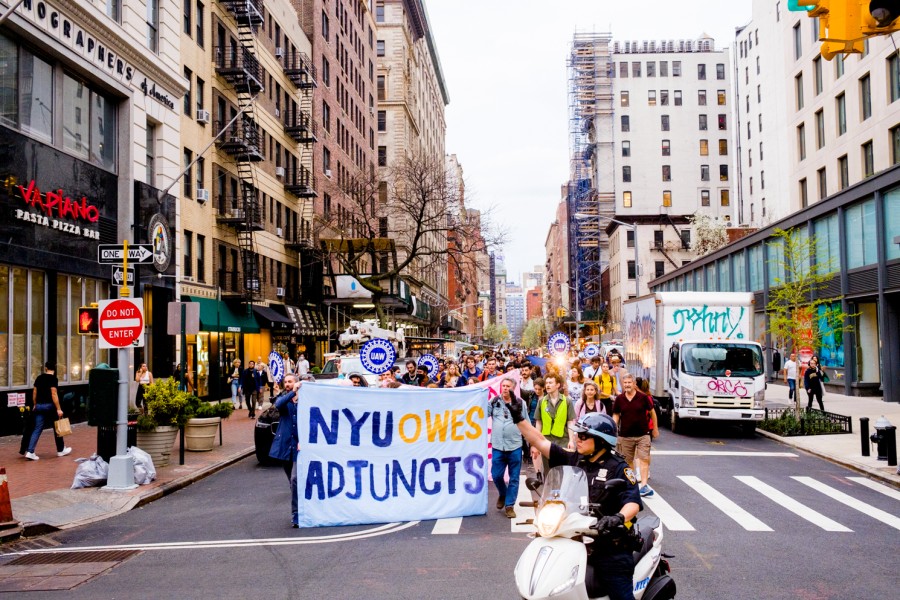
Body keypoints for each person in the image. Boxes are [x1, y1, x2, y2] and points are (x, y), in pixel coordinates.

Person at [508, 403, 642, 600]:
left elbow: (633, 502)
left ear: (601, 440)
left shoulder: (619, 468)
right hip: (573, 537)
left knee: (620, 594)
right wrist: (518, 419)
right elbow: (540, 441)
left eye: (583, 436)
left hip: (609, 545)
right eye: (578, 434)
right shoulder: (575, 459)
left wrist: (618, 518)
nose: (577, 438)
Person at [613, 373, 658, 498]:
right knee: (628, 462)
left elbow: (652, 413)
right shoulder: (619, 399)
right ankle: (632, 485)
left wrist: (655, 428)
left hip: (643, 434)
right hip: (625, 435)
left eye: (629, 382)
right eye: (625, 383)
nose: (627, 385)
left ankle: (644, 485)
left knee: (643, 459)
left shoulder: (643, 397)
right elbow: (616, 415)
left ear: (634, 384)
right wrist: (613, 427)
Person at [491, 378, 527, 518]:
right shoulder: (494, 402)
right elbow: (482, 413)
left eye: (508, 386)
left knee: (514, 478)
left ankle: (510, 505)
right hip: (498, 445)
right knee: (497, 475)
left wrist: (533, 445)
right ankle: (503, 493)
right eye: (503, 386)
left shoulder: (520, 403)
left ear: (513, 388)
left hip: (515, 445)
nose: (505, 388)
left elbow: (526, 423)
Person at [269, 373, 301, 528]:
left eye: (290, 382)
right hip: (285, 445)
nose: (287, 383)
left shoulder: (304, 400)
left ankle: (296, 514)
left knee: (295, 479)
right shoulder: (284, 398)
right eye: (286, 382)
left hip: (299, 446)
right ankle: (300, 504)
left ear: (297, 383)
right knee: (292, 483)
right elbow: (278, 405)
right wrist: (292, 392)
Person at [24, 363, 71, 460]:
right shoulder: (53, 379)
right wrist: (58, 408)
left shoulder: (39, 378)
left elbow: (34, 392)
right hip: (50, 406)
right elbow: (53, 393)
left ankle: (30, 451)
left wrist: (35, 404)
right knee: (57, 427)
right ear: (54, 369)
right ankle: (61, 450)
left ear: (46, 368)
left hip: (39, 406)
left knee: (37, 429)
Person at [532, 373, 576, 476]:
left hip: (563, 441)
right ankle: (549, 492)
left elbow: (570, 422)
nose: (547, 385)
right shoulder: (542, 401)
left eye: (550, 383)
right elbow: (538, 423)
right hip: (546, 441)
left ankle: (562, 492)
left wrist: (571, 440)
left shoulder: (567, 401)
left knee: (563, 471)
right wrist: (536, 443)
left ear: (558, 385)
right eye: (546, 383)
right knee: (548, 472)